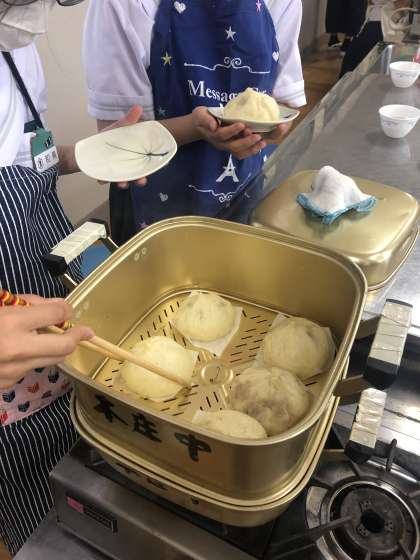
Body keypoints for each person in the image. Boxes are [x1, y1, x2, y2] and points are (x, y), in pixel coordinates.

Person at [0, 0, 145, 554]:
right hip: (10, 399)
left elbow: (28, 161)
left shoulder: (16, 51)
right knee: (40, 518)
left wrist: (88, 155)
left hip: (55, 312)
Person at [83, 0, 307, 245]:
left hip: (246, 189)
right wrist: (195, 128)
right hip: (155, 209)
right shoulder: (122, 4)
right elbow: (119, 141)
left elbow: (284, 102)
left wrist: (272, 127)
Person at [340, 0, 412, 77]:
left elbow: (403, 3)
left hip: (382, 24)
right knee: (354, 61)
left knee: (355, 61)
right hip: (376, 22)